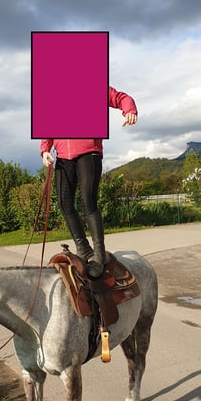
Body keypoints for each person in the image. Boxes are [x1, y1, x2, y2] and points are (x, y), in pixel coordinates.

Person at [41, 85, 137, 277]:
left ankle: (99, 255)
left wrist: (130, 111)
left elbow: (121, 98)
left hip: (88, 152)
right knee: (64, 202)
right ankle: (83, 248)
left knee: (88, 199)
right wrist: (45, 149)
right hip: (63, 156)